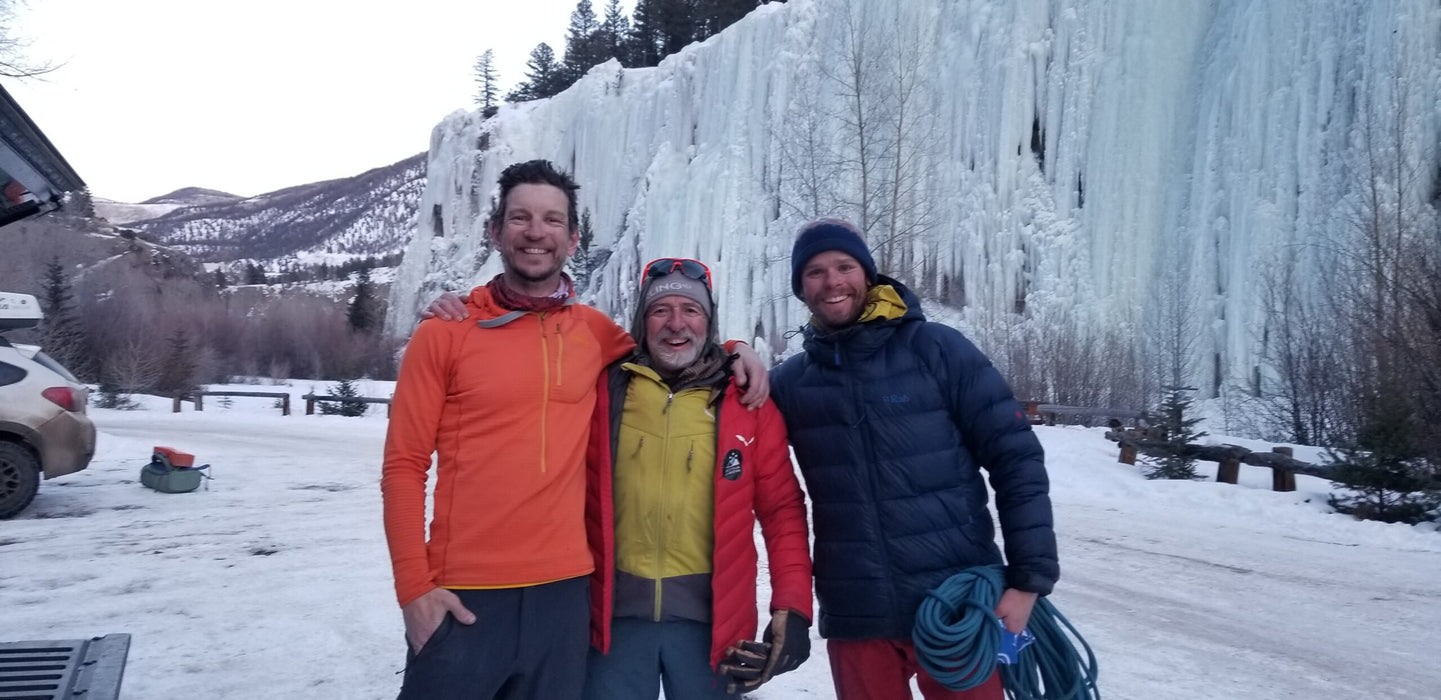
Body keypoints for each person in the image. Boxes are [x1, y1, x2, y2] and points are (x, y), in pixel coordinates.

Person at [381, 160, 767, 700]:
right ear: (496, 231)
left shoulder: (593, 333)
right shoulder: (445, 334)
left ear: (572, 238)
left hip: (565, 599)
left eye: (552, 220)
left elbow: (674, 343)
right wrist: (413, 591)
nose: (536, 232)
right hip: (464, 592)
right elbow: (403, 466)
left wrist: (736, 349)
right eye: (520, 218)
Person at [769, 219, 1060, 700]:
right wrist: (738, 353)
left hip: (957, 605)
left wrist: (1029, 582)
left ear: (868, 274)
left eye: (844, 266)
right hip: (858, 613)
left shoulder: (938, 350)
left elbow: (1017, 460)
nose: (832, 281)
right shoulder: (793, 384)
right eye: (815, 272)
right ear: (801, 287)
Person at [582, 257, 814, 700]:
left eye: (690, 310)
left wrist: (793, 606)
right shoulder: (605, 388)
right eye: (660, 310)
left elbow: (782, 510)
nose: (676, 324)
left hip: (714, 632)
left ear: (708, 322)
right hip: (613, 626)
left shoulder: (747, 401)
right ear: (641, 321)